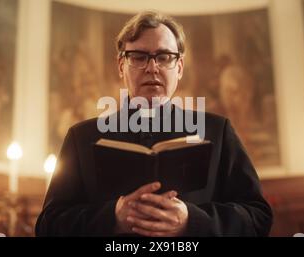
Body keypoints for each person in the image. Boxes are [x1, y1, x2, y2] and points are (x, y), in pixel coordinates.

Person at [35, 11, 272, 236]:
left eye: (164, 57)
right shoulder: (81, 137)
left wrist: (192, 220)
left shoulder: (217, 132)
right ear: (121, 66)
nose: (152, 68)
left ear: (179, 68)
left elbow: (258, 218)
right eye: (138, 57)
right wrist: (113, 218)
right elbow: (48, 226)